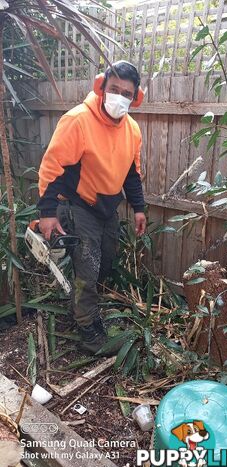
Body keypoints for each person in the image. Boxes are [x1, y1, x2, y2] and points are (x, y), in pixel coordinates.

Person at [37, 60, 146, 353]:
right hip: (78, 204)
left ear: (136, 97)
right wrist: (47, 213)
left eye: (126, 93)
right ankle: (88, 332)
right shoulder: (78, 120)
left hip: (107, 207)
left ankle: (82, 301)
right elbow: (52, 168)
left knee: (105, 261)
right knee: (88, 266)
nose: (119, 97)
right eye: (114, 89)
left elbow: (131, 173)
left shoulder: (132, 129)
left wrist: (139, 207)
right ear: (101, 87)